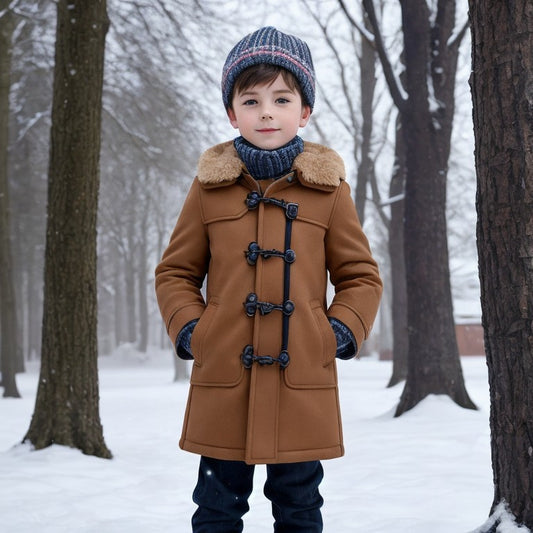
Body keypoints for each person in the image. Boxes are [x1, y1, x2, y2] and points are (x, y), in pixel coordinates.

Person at [155, 26, 383, 533]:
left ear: (303, 112)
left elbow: (361, 276)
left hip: (301, 377)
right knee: (216, 508)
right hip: (224, 380)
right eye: (251, 99)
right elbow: (175, 271)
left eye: (281, 98)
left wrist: (338, 332)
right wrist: (193, 330)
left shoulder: (329, 191)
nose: (266, 111)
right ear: (232, 112)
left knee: (300, 508)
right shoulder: (208, 190)